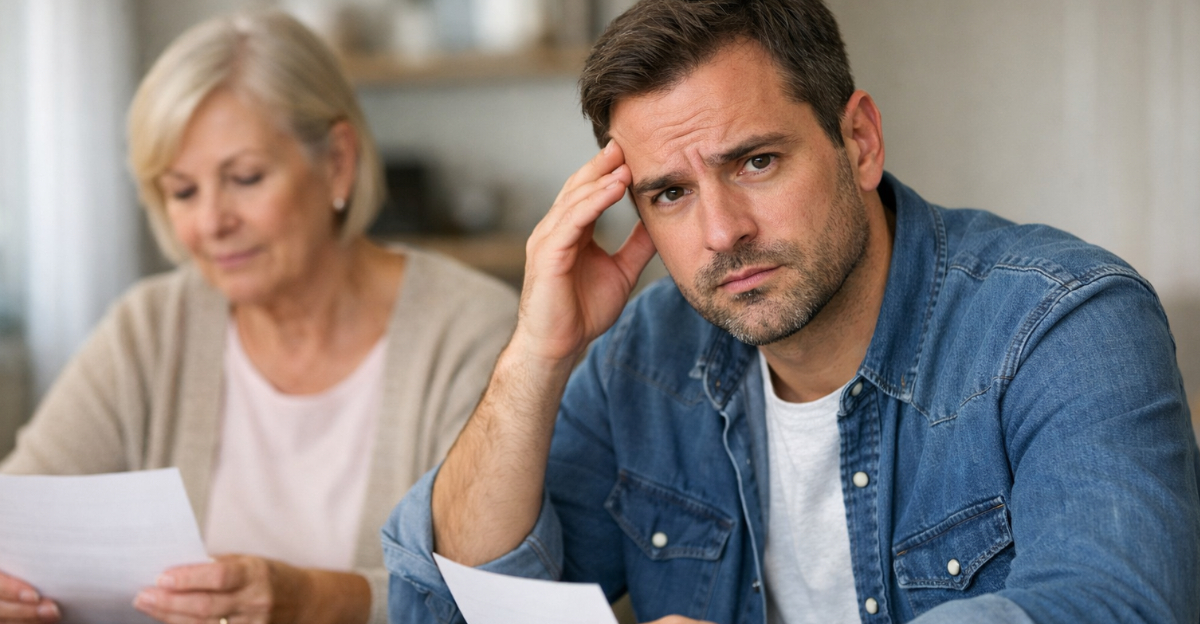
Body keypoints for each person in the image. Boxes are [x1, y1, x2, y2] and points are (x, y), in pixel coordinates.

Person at [382, 0, 1200, 622]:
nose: (721, 233)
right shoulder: (646, 356)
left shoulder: (1064, 322)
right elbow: (457, 602)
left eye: (757, 162)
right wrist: (536, 354)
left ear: (860, 141)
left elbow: (1111, 605)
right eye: (669, 193)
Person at [0, 10, 517, 624]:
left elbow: (495, 598)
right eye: (183, 191)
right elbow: (22, 522)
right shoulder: (149, 330)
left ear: (337, 161)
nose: (212, 222)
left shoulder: (471, 332)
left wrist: (316, 600)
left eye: (244, 178)